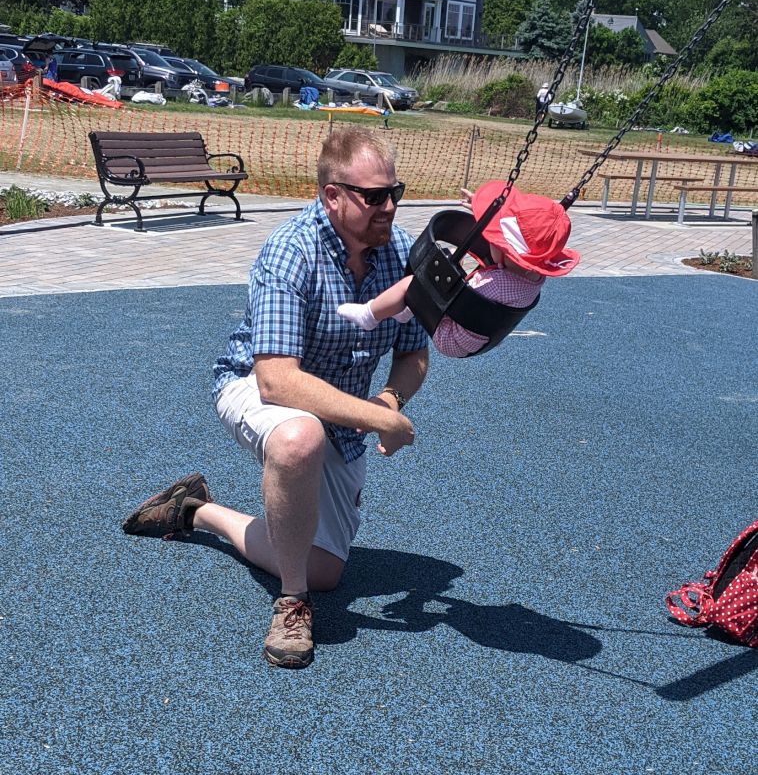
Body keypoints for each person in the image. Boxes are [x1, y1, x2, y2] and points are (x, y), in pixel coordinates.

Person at [121, 127, 429, 669]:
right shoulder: (291, 251)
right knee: (297, 437)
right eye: (375, 197)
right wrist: (379, 421)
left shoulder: (401, 254)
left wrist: (390, 399)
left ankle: (194, 510)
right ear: (332, 195)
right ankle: (292, 603)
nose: (389, 208)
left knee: (327, 570)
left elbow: (413, 355)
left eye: (394, 194)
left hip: (342, 408)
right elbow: (277, 382)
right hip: (250, 383)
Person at [337, 181, 579, 358]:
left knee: (415, 281)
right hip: (483, 334)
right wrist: (485, 211)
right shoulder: (533, 276)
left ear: (508, 252)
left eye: (495, 240)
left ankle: (370, 314)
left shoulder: (495, 285)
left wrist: (454, 269)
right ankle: (405, 308)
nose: (489, 238)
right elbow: (529, 234)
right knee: (452, 267)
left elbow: (456, 292)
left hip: (452, 336)